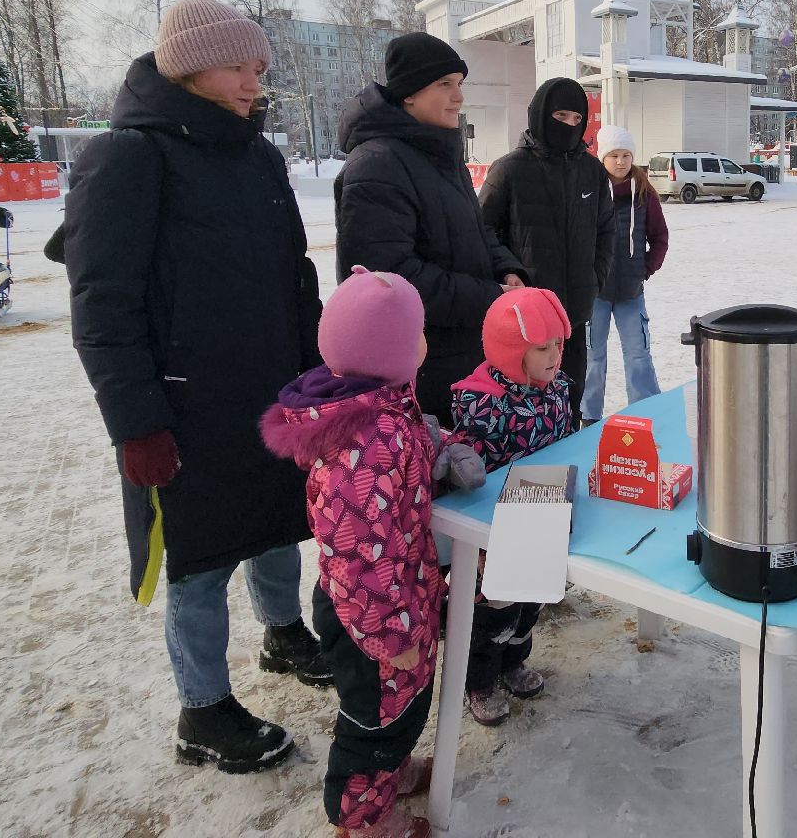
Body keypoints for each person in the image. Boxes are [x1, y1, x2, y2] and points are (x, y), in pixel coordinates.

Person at [63, 0, 330, 775]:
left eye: (260, 69)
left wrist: (316, 375)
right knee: (200, 557)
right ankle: (203, 709)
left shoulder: (259, 158)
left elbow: (294, 277)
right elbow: (102, 306)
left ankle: (282, 636)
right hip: (185, 407)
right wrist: (135, 422)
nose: (257, 82)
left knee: (280, 521)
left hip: (274, 391)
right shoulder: (127, 160)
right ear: (190, 65)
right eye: (243, 66)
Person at [260, 266, 479, 838]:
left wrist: (446, 447)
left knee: (401, 710)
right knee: (372, 726)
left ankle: (395, 772)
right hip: (372, 617)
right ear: (392, 350)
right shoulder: (366, 441)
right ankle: (361, 822)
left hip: (399, 595)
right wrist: (390, 636)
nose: (426, 342)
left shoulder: (384, 408)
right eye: (418, 332)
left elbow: (413, 445)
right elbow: (357, 557)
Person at [333, 32, 527, 423]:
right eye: (444, 85)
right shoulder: (377, 166)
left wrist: (507, 269)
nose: (458, 97)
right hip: (418, 373)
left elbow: (475, 230)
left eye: (459, 85)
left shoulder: (439, 153)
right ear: (408, 93)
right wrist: (489, 295)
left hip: (462, 357)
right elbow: (389, 281)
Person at [449, 287, 574, 726]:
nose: (554, 355)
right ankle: (478, 681)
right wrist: (481, 537)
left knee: (530, 600)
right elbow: (471, 475)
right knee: (494, 608)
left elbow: (562, 447)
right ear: (509, 350)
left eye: (558, 344)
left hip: (541, 513)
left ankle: (514, 661)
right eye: (542, 348)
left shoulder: (555, 389)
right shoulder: (483, 403)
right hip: (497, 526)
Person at [476, 77, 611, 421]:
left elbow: (605, 229)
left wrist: (595, 279)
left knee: (570, 401)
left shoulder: (592, 171)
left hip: (574, 318)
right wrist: (509, 270)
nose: (568, 125)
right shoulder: (509, 170)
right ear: (540, 114)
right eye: (560, 115)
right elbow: (483, 231)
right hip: (525, 322)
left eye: (576, 119)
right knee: (525, 412)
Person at [581, 125, 667, 423]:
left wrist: (644, 269)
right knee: (593, 357)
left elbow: (660, 238)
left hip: (631, 292)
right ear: (602, 158)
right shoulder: (589, 191)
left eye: (626, 155)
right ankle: (587, 416)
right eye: (614, 155)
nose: (620, 162)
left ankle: (646, 412)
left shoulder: (644, 194)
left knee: (638, 356)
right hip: (596, 294)